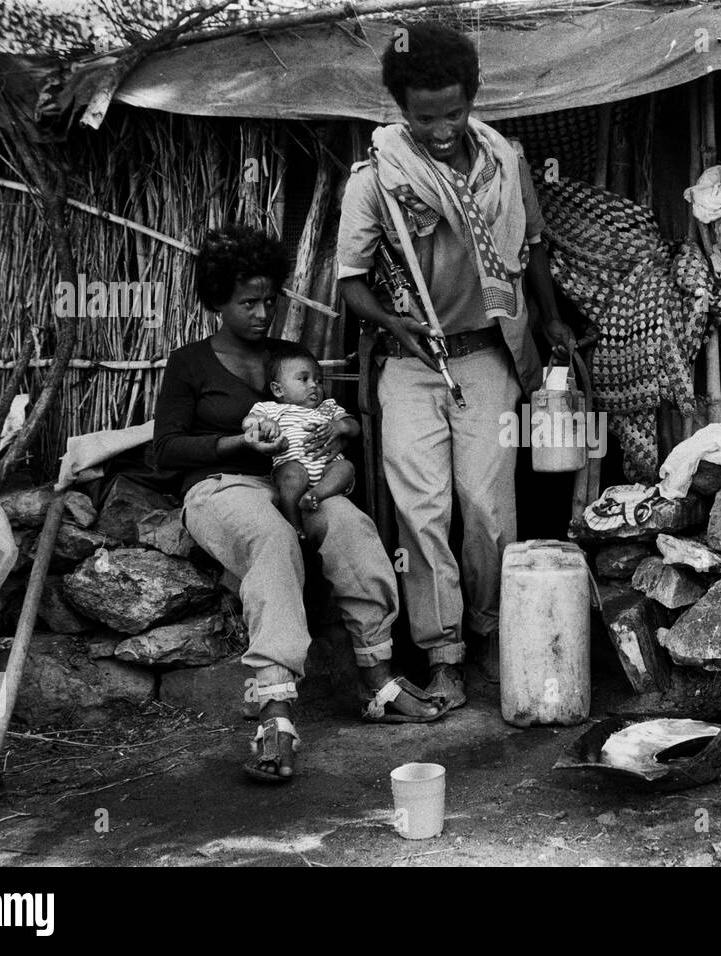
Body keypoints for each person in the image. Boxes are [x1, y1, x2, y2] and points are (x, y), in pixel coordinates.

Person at [336, 22, 576, 709]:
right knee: (422, 512)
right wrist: (390, 322)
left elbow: (530, 248)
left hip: (487, 354)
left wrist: (551, 315)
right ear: (399, 111)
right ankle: (443, 653)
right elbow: (352, 278)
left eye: (453, 112)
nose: (441, 129)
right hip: (411, 362)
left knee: (488, 509)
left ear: (473, 98)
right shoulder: (377, 177)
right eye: (424, 117)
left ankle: (489, 628)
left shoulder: (504, 163)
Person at [154, 225, 445, 784]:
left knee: (353, 527)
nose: (264, 313)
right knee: (272, 538)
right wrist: (239, 443)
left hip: (300, 486)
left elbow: (330, 421)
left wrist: (335, 436)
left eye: (270, 300)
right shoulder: (189, 363)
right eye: (248, 303)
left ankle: (378, 678)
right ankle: (276, 709)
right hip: (221, 487)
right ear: (217, 301)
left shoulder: (288, 361)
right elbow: (165, 448)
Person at [241, 341, 358, 536]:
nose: (314, 385)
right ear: (278, 390)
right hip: (292, 465)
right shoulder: (271, 409)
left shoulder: (327, 407)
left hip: (327, 471)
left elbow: (354, 427)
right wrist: (263, 425)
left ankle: (315, 495)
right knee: (292, 477)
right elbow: (247, 425)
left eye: (319, 381)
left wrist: (340, 426)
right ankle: (294, 524)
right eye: (304, 379)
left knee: (346, 468)